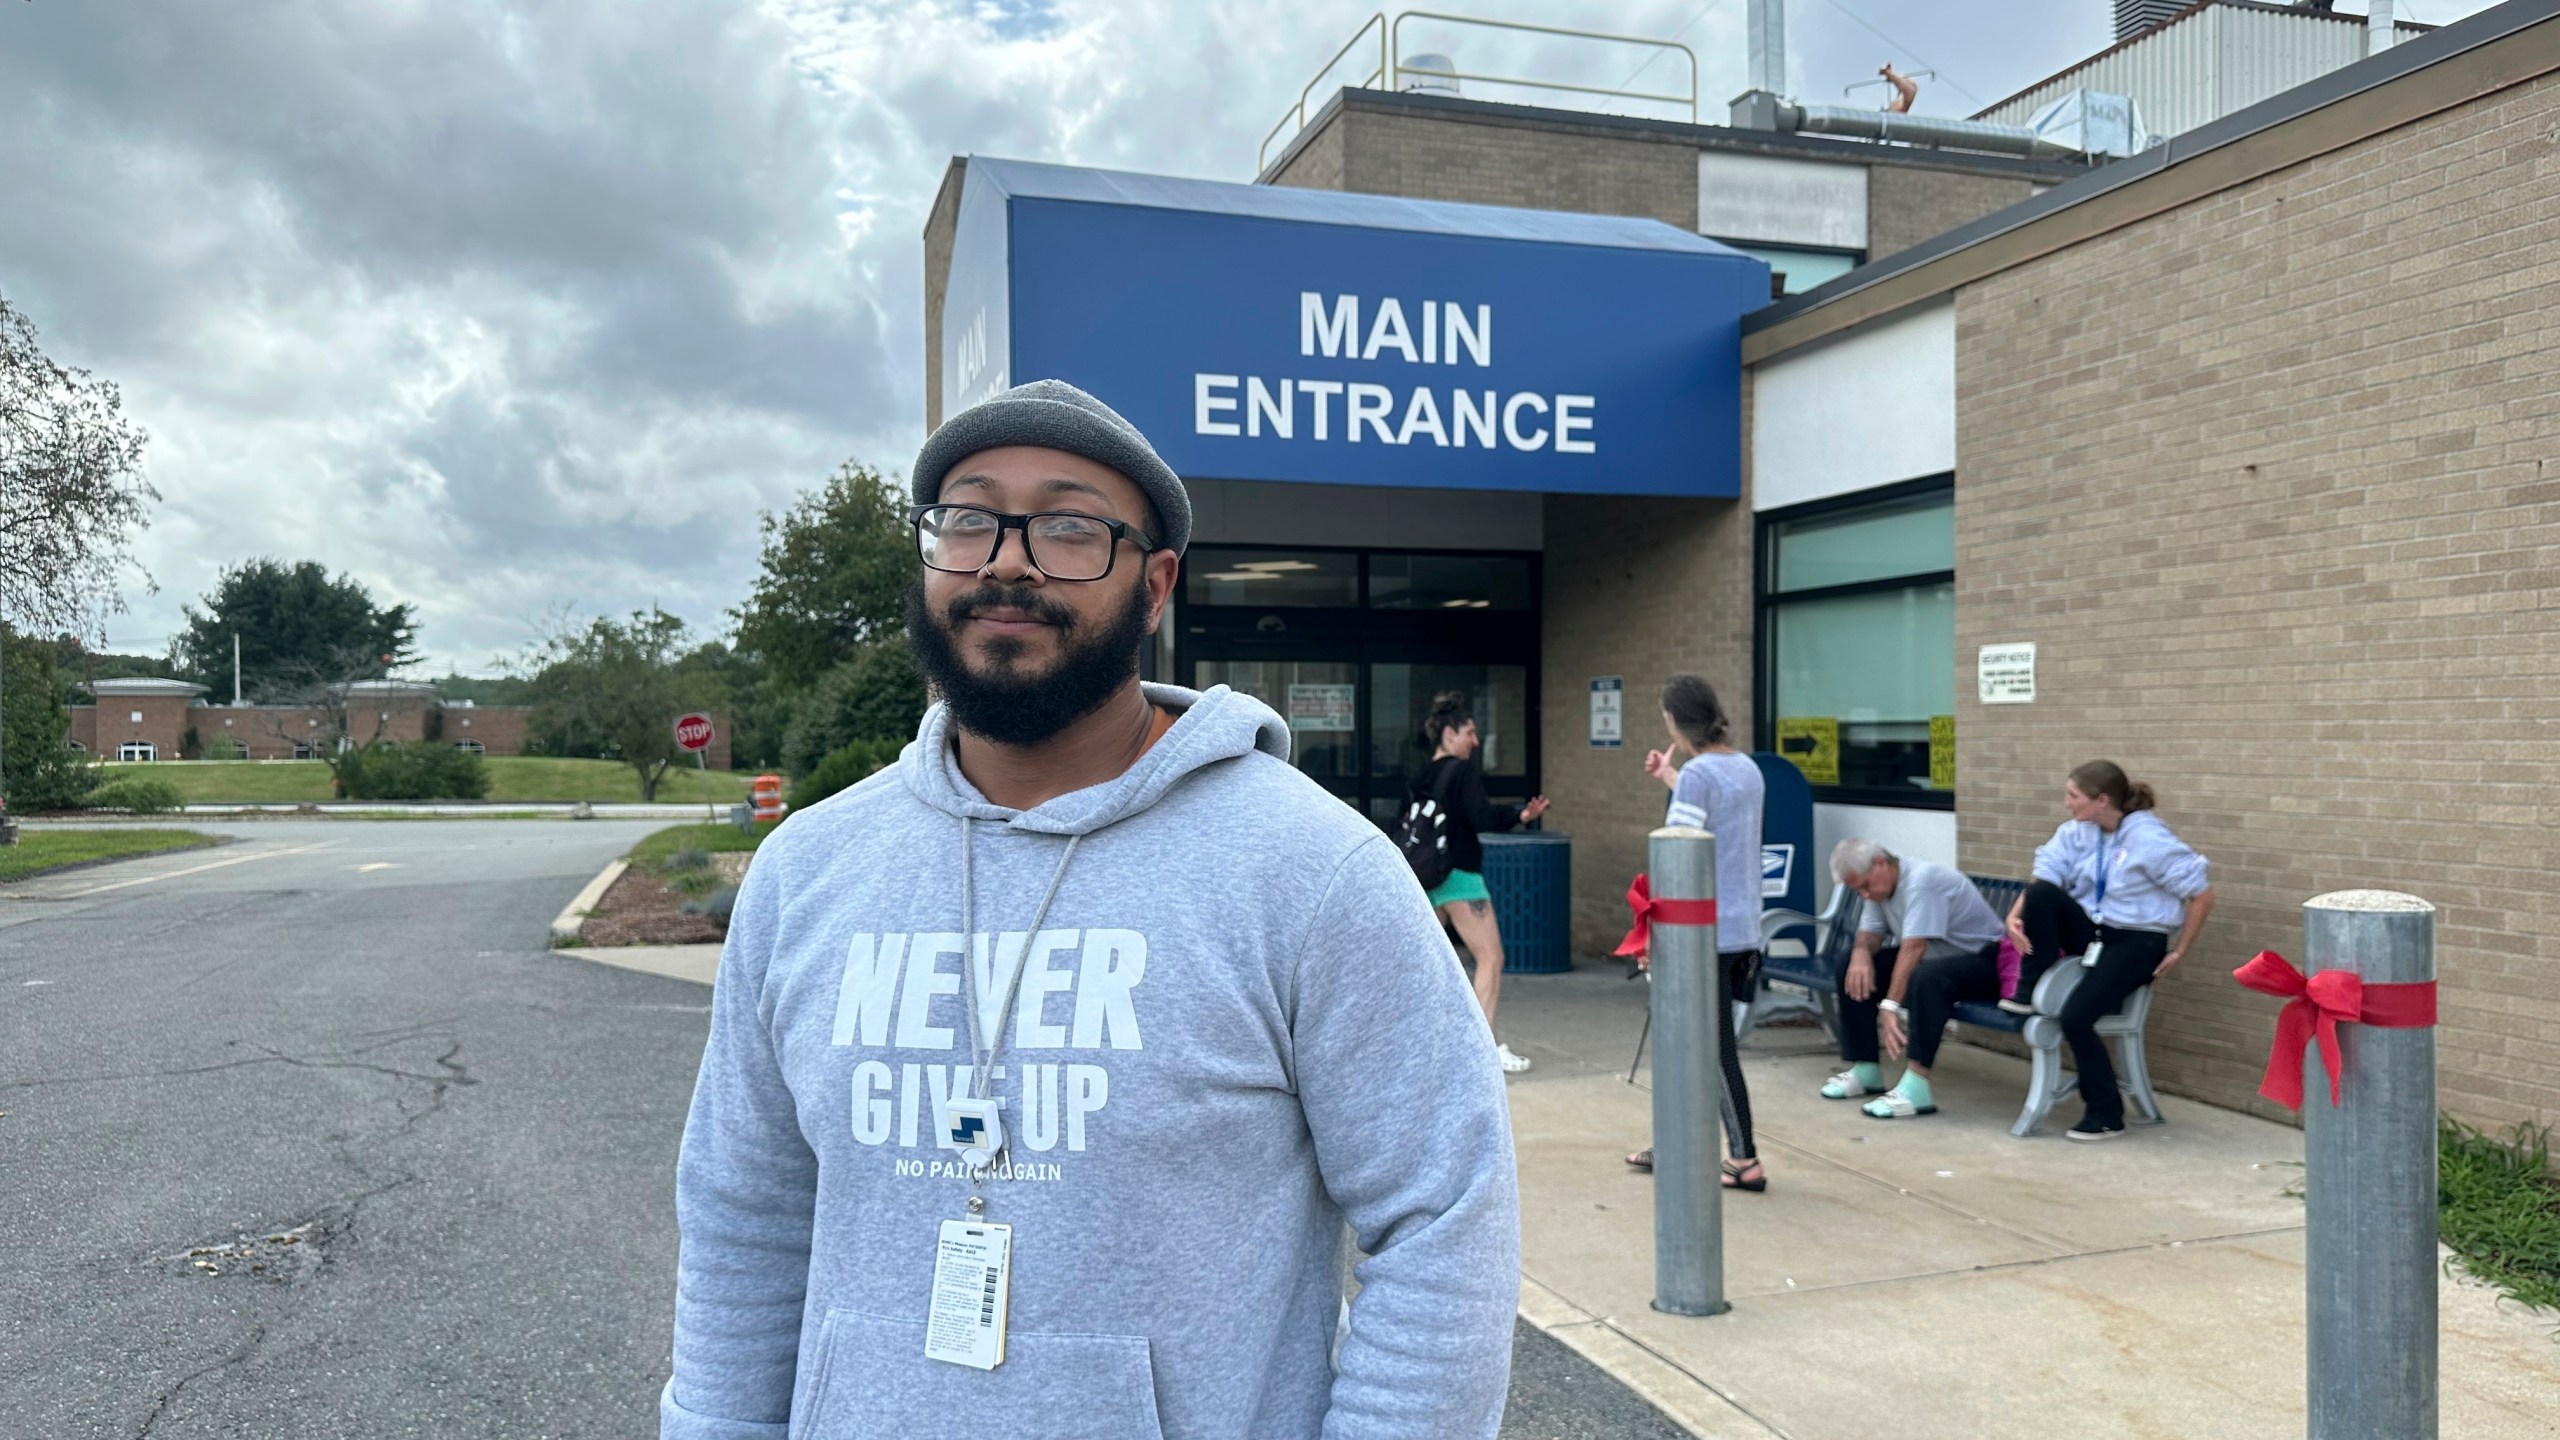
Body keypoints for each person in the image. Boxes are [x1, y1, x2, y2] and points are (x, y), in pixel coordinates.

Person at [662, 379, 1519, 1440]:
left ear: (1155, 587)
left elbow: (1442, 1221)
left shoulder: (1313, 870)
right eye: (969, 520)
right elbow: (745, 1221)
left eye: (1070, 528)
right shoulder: (806, 872)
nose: (1007, 560)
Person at [2000, 760, 2214, 1141]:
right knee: (2044, 894)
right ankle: (2029, 987)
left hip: (2137, 940)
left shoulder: (2147, 837)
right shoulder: (2078, 832)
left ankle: (2106, 1114)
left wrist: (2179, 951)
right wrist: (2015, 916)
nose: (2067, 803)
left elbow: (2201, 894)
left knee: (2076, 1018)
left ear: (2101, 801)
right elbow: (2045, 875)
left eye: (2073, 796)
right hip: (2095, 931)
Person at [1625, 677, 1766, 1191]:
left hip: (1700, 929)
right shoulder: (1745, 768)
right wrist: (1670, 775)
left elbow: (1679, 850)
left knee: (1708, 1048)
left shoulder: (1701, 775)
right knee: (1693, 1041)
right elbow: (1718, 819)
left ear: (1676, 722)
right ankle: (1679, 1143)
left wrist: (1652, 931)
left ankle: (1746, 1158)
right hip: (1742, 928)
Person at [1413, 691, 1551, 1075]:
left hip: (1425, 879)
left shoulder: (1421, 773)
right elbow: (1483, 817)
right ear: (1449, 735)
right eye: (1469, 732)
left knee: (1434, 966)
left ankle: (1427, 1045)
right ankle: (1482, 1048)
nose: (1475, 741)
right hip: (1460, 878)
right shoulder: (1462, 771)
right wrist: (1520, 814)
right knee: (1491, 958)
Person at [1821, 839, 2008, 1120]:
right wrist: (1860, 954)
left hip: (1985, 961)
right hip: (1938, 959)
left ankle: (1917, 1086)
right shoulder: (1878, 891)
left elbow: (1914, 948)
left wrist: (1890, 1006)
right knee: (1851, 963)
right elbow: (1869, 935)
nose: (1864, 895)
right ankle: (1865, 1067)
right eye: (1857, 890)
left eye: (1865, 886)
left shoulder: (1922, 881)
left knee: (1927, 978)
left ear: (1881, 864)